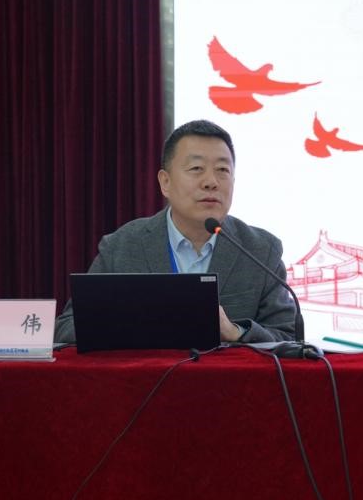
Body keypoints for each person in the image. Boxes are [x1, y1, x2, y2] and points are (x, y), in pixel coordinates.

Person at [54, 119, 296, 345]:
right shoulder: (122, 246)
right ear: (165, 182)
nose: (211, 181)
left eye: (222, 170)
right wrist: (137, 322)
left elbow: (289, 337)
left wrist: (236, 332)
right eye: (196, 168)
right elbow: (66, 327)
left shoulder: (261, 250)